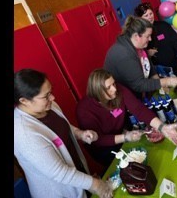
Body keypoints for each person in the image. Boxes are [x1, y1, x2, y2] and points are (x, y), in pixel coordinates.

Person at [14, 69, 113, 198]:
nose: (53, 97)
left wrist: (80, 133)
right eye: (46, 96)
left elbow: (63, 127)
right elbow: (59, 173)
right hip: (60, 192)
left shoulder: (49, 105)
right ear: (24, 101)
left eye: (51, 91)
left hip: (79, 177)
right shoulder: (23, 133)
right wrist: (95, 184)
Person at [76, 68, 177, 173]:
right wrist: (125, 137)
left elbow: (139, 109)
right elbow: (98, 140)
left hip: (121, 135)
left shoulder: (118, 90)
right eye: (108, 87)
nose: (114, 89)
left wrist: (162, 127)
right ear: (97, 92)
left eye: (113, 84)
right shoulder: (84, 110)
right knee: (123, 169)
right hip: (104, 149)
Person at [104, 15, 177, 99]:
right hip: (126, 97)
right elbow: (139, 85)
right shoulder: (123, 54)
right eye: (148, 36)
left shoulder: (139, 45)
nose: (150, 39)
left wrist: (159, 83)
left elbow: (149, 66)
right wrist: (167, 81)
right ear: (136, 36)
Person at [134, 2, 177, 77]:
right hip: (158, 73)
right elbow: (137, 57)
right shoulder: (139, 34)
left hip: (174, 69)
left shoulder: (163, 26)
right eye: (146, 15)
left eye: (151, 13)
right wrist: (147, 54)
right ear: (140, 19)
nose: (150, 17)